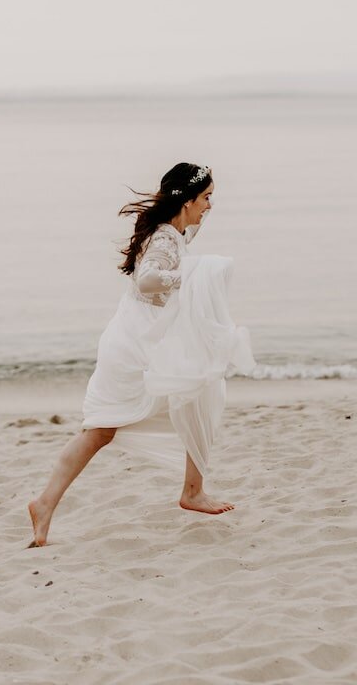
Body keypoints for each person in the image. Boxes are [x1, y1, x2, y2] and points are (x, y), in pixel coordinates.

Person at [28, 162, 235, 547]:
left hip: (136, 337)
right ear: (188, 200)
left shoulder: (171, 232)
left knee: (112, 426)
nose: (210, 206)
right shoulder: (165, 239)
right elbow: (147, 279)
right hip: (139, 345)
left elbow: (168, 259)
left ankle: (46, 503)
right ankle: (192, 492)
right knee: (108, 426)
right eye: (206, 198)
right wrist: (190, 275)